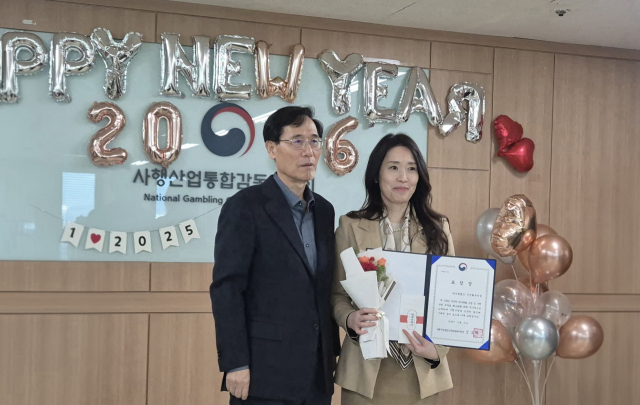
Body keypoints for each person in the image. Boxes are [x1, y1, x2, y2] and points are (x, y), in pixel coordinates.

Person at [210, 106, 338, 405]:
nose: (308, 151)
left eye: (314, 141)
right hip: (263, 372)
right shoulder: (245, 206)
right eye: (297, 141)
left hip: (316, 373)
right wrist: (235, 363)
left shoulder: (324, 211)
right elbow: (227, 290)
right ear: (271, 149)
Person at [331, 134, 455, 405]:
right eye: (393, 167)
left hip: (421, 368)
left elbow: (448, 300)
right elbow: (337, 295)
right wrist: (350, 319)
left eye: (411, 168)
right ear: (377, 174)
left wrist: (437, 349)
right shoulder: (350, 226)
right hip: (365, 370)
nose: (403, 177)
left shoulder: (438, 229)